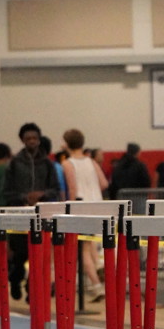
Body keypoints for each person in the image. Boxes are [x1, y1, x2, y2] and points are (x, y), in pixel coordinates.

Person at [3, 122, 60, 300]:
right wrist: (23, 197)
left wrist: (42, 195)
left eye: (35, 138)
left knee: (38, 256)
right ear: (22, 140)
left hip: (41, 217)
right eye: (28, 138)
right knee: (20, 255)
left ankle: (32, 288)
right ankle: (15, 279)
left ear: (39, 139)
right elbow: (6, 191)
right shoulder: (14, 163)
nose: (32, 141)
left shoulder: (48, 164)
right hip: (20, 216)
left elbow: (55, 189)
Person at [62, 128, 108, 300]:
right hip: (97, 205)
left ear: (67, 144)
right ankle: (99, 264)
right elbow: (104, 183)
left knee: (83, 249)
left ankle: (96, 286)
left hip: (81, 206)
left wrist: (70, 209)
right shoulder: (91, 161)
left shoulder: (68, 164)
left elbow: (72, 188)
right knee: (90, 243)